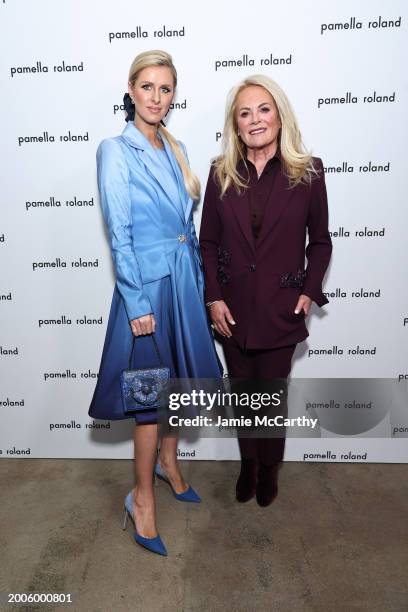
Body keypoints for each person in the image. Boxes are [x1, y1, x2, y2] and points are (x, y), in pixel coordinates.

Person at [89, 50, 221, 555]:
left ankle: (169, 465)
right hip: (144, 289)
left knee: (180, 385)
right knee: (149, 397)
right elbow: (119, 233)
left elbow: (186, 228)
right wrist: (137, 300)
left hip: (184, 285)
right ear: (131, 88)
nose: (156, 97)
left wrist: (203, 288)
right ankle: (141, 498)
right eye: (148, 87)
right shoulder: (115, 150)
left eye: (166, 89)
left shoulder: (178, 147)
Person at [199, 74, 332, 507]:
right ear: (235, 126)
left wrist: (309, 291)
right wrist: (213, 297)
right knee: (242, 395)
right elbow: (209, 243)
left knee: (270, 398)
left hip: (281, 311)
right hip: (232, 312)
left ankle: (270, 467)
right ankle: (248, 464)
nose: (255, 120)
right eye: (244, 113)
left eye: (263, 109)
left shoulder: (309, 172)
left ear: (279, 116)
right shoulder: (221, 173)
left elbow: (321, 241)